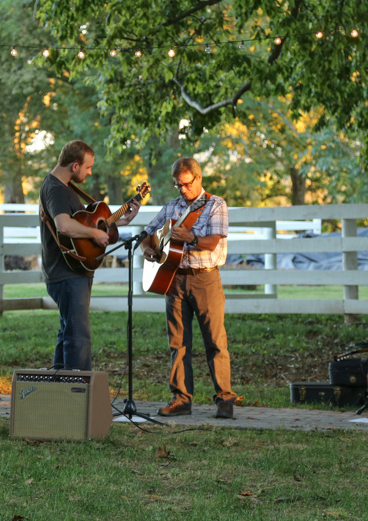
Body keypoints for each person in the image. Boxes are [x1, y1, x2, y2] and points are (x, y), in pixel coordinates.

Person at [139, 157, 238, 419]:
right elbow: (147, 233)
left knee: (215, 340)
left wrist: (190, 237)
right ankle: (181, 398)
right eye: (177, 185)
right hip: (174, 278)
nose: (182, 190)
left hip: (205, 278)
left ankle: (225, 399)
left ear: (198, 178)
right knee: (178, 342)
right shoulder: (171, 207)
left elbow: (213, 242)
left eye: (186, 184)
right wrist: (148, 249)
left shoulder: (216, 204)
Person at [39, 140, 140, 371]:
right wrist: (95, 232)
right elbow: (64, 226)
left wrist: (121, 221)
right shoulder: (55, 188)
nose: (90, 172)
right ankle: (79, 392)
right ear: (75, 166)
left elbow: (86, 223)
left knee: (68, 332)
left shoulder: (66, 188)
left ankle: (60, 388)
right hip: (65, 272)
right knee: (78, 337)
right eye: (88, 167)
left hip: (75, 270)